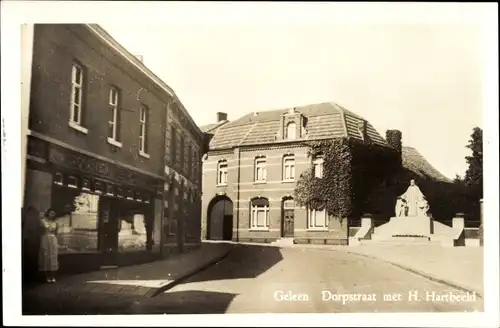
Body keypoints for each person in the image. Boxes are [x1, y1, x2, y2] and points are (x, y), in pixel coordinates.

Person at [38, 208, 59, 283]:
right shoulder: (43, 221)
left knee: (53, 257)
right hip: (45, 239)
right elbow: (40, 231)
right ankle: (47, 277)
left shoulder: (55, 222)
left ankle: (53, 276)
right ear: (48, 213)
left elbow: (56, 232)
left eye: (53, 214)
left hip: (53, 239)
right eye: (50, 213)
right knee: (45, 257)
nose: (52, 215)